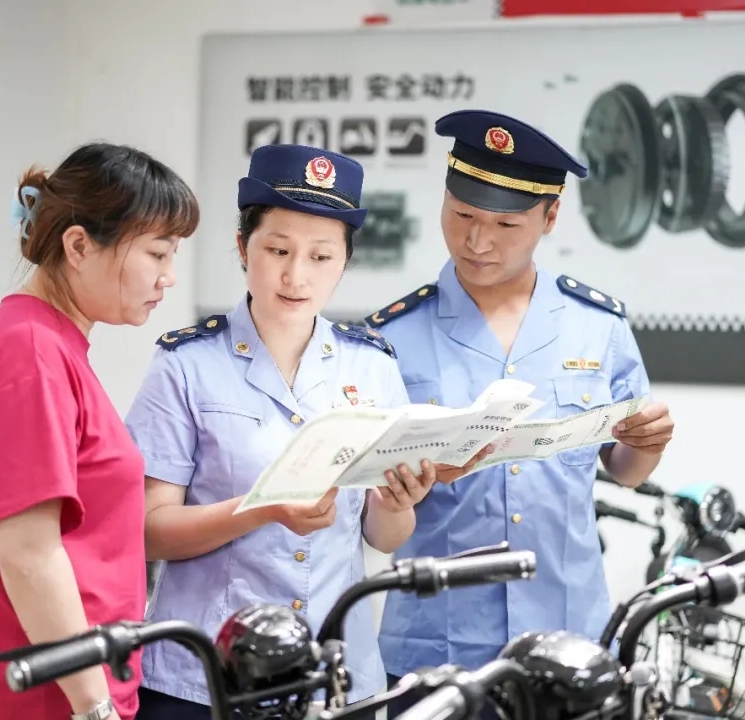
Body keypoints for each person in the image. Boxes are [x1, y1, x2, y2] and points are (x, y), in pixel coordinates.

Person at [124, 144, 485, 720]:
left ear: (344, 261)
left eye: (321, 256)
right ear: (242, 246)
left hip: (334, 674)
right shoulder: (186, 365)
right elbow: (149, 531)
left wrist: (398, 501)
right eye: (277, 250)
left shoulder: (371, 366)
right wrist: (264, 509)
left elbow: (383, 536)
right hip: (206, 680)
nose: (296, 275)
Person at [364, 110, 676, 719]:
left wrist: (649, 444)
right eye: (462, 216)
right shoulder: (390, 338)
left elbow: (625, 471)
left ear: (550, 217)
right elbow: (373, 518)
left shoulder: (598, 326)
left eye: (506, 224)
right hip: (438, 647)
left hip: (569, 642)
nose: (478, 241)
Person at [0, 143, 199, 720]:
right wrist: (94, 708)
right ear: (78, 245)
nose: (168, 277)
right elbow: (29, 555)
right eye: (157, 253)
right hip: (41, 703)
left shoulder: (48, 345)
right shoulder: (30, 353)